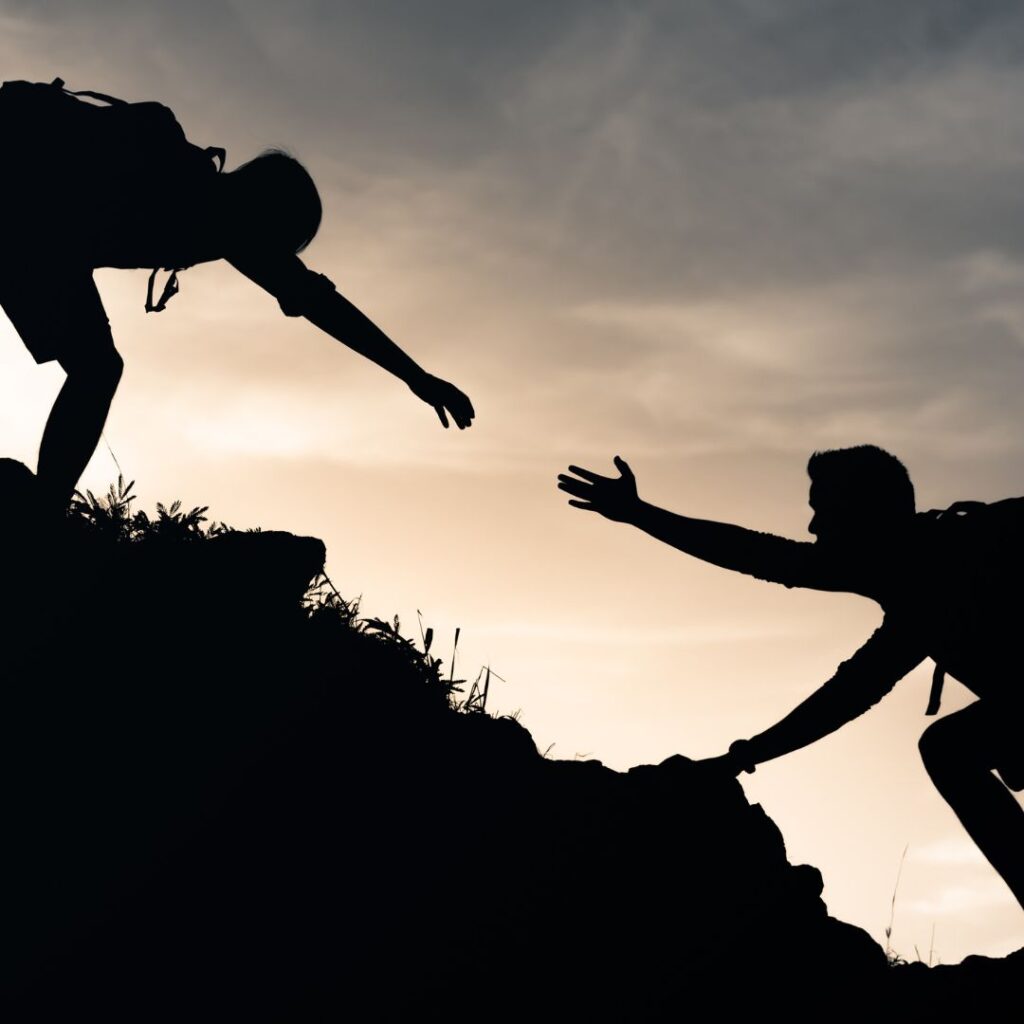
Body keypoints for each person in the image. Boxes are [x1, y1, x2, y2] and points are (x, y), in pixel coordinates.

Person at [557, 445, 1024, 907]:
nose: (814, 527)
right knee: (953, 748)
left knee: (950, 749)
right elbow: (766, 561)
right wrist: (642, 515)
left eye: (824, 511)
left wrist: (740, 757)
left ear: (865, 514)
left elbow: (845, 685)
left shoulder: (951, 561)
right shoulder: (919, 578)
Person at [0, 79, 474, 512]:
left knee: (97, 367)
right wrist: (416, 376)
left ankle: (41, 511)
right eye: (281, 239)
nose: (276, 256)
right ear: (269, 212)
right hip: (26, 223)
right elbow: (318, 302)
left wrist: (416, 376)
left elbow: (313, 297)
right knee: (98, 369)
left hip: (34, 233)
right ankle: (41, 515)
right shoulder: (220, 215)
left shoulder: (208, 200)